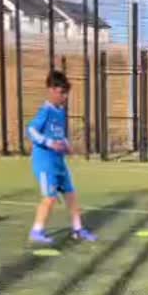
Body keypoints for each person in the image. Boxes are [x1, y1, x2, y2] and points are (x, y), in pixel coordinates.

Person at [27, 69, 97, 246]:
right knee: (49, 198)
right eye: (61, 92)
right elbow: (31, 130)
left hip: (59, 163)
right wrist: (50, 143)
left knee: (71, 195)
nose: (64, 96)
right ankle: (37, 231)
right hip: (45, 163)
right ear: (51, 90)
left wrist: (66, 145)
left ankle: (78, 229)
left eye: (66, 93)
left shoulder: (59, 112)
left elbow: (59, 134)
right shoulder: (46, 111)